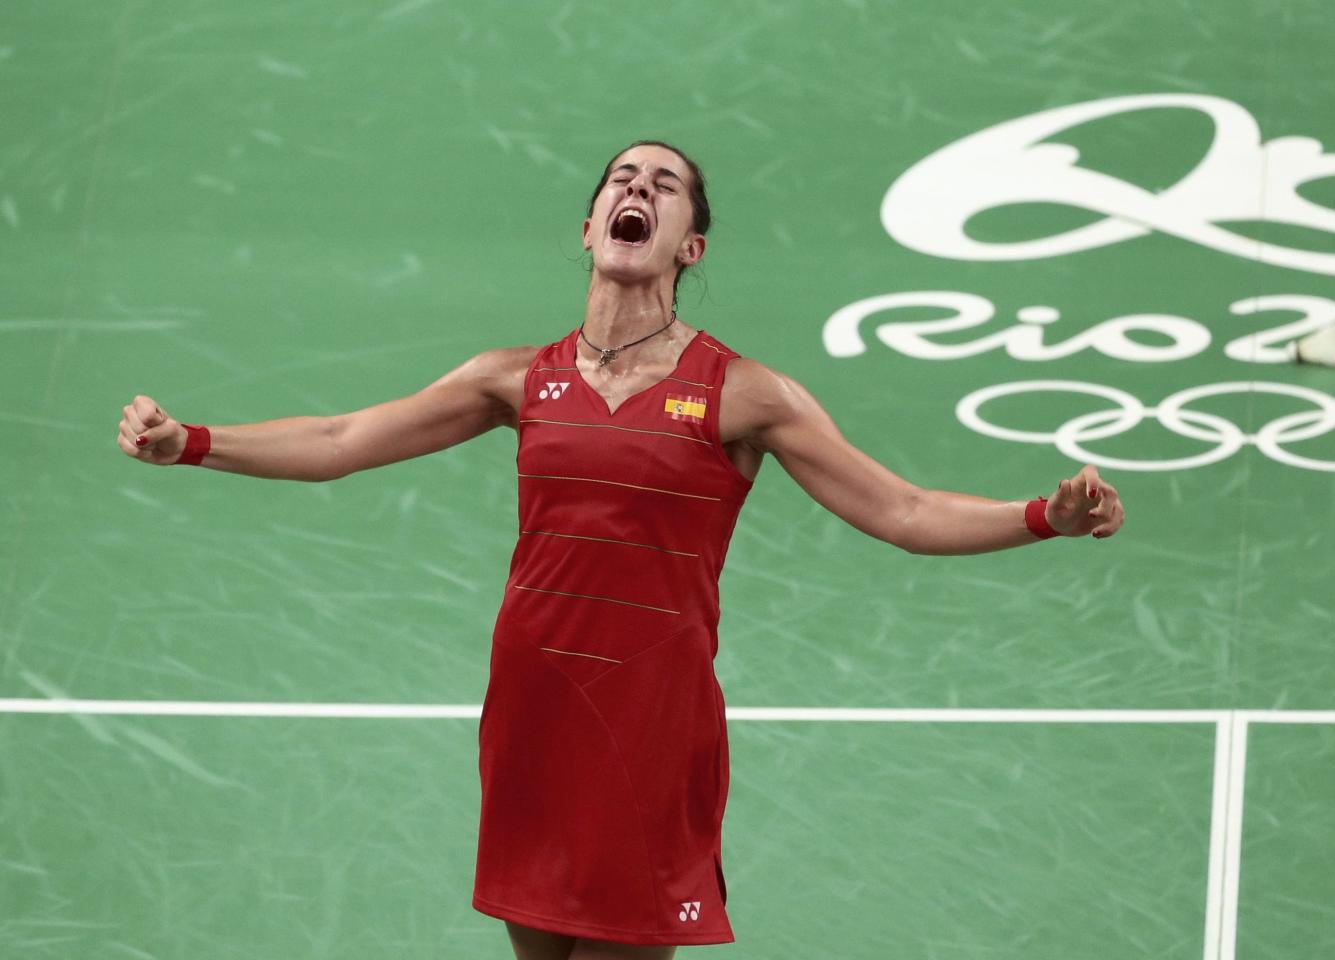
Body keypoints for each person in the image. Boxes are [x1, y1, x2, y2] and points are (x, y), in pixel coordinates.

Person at [116, 140, 1126, 960]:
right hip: (532, 705)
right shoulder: (512, 379)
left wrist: (1041, 515)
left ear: (688, 245)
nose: (638, 189)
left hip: (650, 722)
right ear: (593, 227)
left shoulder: (743, 395)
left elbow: (901, 510)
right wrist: (194, 444)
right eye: (620, 181)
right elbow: (340, 441)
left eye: (667, 185)